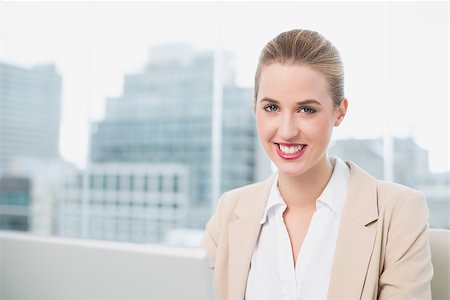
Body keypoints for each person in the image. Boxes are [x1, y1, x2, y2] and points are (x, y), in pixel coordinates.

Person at [200, 29, 433, 300]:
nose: (286, 131)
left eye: (306, 110)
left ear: (340, 112)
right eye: (271, 108)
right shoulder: (231, 210)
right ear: (255, 107)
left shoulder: (399, 212)